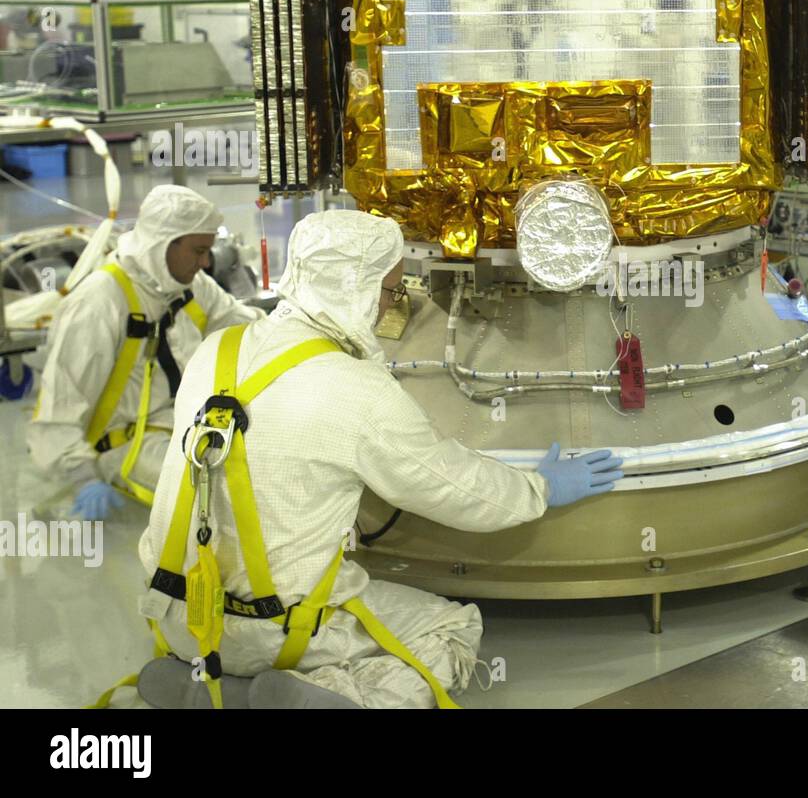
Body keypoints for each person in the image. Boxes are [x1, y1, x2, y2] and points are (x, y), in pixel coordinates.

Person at [131, 210, 621, 709]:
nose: (390, 308)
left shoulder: (217, 349)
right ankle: (324, 694)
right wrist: (540, 489)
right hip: (275, 630)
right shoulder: (355, 389)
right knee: (452, 628)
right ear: (357, 288)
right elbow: (452, 488)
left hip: (182, 613)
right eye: (389, 293)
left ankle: (210, 686)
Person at [27, 185, 264, 519]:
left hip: (185, 423)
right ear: (163, 244)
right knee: (222, 495)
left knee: (269, 464)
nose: (206, 262)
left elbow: (242, 327)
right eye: (198, 250)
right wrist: (82, 477)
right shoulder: (100, 302)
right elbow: (58, 407)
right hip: (122, 443)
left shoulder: (189, 285)